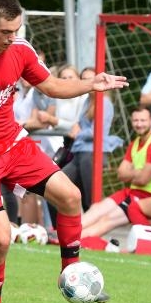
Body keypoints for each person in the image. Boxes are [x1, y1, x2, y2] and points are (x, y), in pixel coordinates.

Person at [0, 0, 128, 303]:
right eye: (6, 32)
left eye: (16, 30)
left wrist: (91, 83)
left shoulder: (20, 49)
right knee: (1, 239)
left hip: (14, 146)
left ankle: (71, 275)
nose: (12, 38)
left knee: (70, 197)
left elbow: (50, 85)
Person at [80, 106, 151, 240]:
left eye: (143, 120)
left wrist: (133, 173)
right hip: (133, 192)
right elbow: (121, 174)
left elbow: (143, 179)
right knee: (97, 208)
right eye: (136, 120)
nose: (139, 124)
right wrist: (139, 172)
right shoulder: (135, 143)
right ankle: (65, 234)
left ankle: (72, 241)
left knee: (109, 218)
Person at [59, 67, 123, 212]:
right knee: (58, 187)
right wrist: (76, 128)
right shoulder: (87, 100)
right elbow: (79, 125)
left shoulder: (105, 102)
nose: (88, 82)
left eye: (90, 78)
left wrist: (77, 133)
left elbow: (97, 132)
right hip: (79, 152)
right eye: (84, 79)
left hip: (91, 154)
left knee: (90, 200)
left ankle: (91, 231)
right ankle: (60, 228)